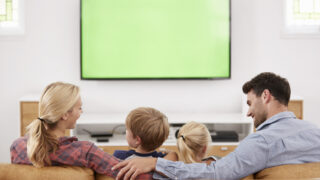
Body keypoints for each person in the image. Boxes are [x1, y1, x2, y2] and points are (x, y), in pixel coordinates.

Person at [112, 72, 320, 180]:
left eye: (249, 103)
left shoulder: (261, 141)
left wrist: (157, 164)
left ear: (265, 96)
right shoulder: (315, 132)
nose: (248, 112)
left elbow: (215, 175)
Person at [10, 82, 151, 179]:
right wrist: (157, 163)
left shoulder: (18, 147)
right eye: (79, 108)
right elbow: (130, 175)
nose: (81, 112)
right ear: (65, 114)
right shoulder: (85, 151)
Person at [113, 107, 178, 161]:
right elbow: (174, 157)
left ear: (137, 140)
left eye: (127, 129)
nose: (126, 132)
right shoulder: (162, 161)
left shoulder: (120, 156)